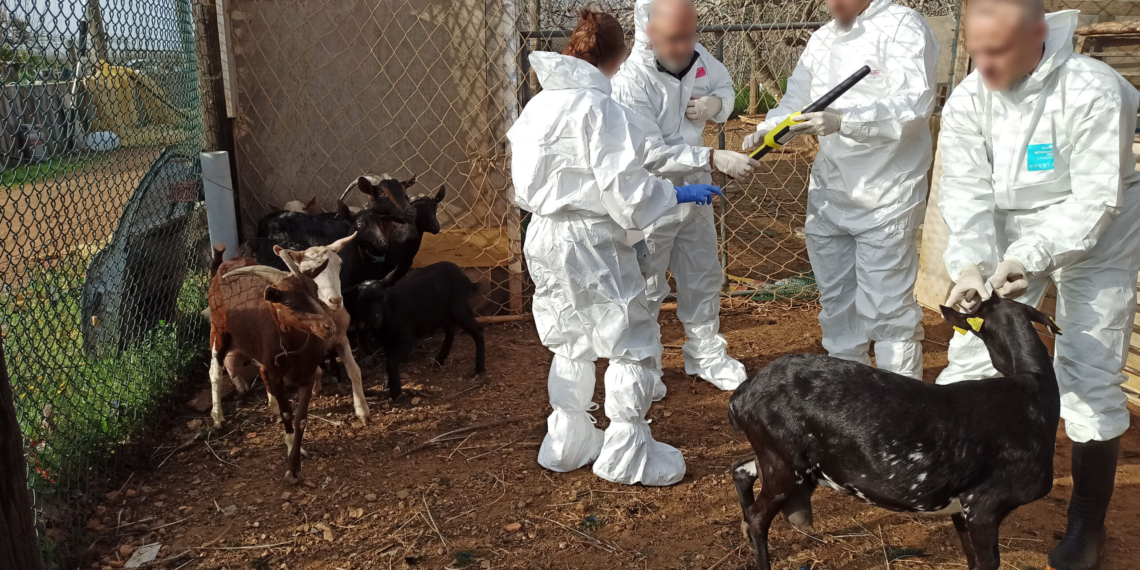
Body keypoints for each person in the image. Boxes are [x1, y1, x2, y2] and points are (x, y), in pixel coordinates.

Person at [938, 2, 1140, 568]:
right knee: (975, 354)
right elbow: (966, 192)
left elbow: (1095, 198)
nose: (985, 64)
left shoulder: (1094, 89)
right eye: (976, 50)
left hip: (1101, 232)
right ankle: (970, 488)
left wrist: (1030, 255)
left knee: (1090, 366)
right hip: (1007, 225)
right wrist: (973, 265)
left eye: (998, 50)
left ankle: (1087, 524)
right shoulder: (969, 97)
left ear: (1037, 35)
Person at [740, 0, 938, 530]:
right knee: (839, 312)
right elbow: (798, 99)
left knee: (888, 312)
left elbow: (913, 105)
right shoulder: (825, 38)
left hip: (887, 191)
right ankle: (848, 428)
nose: (829, 6)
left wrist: (843, 120)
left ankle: (903, 439)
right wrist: (771, 128)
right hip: (832, 192)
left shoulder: (904, 26)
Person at [507, 9, 724, 486]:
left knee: (570, 338)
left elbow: (526, 182)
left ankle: (568, 442)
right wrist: (674, 193)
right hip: (592, 237)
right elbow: (626, 192)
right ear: (617, 56)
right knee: (630, 342)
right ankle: (626, 452)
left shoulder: (539, 105)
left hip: (543, 233)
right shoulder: (598, 108)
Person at [611, 0, 757, 395]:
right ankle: (645, 362)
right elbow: (649, 152)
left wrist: (717, 105)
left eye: (690, 36)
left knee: (703, 274)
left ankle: (705, 354)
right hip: (650, 194)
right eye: (674, 39)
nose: (684, 47)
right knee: (646, 283)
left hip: (696, 188)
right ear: (650, 34)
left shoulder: (700, 58)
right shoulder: (631, 82)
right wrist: (713, 155)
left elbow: (726, 89)